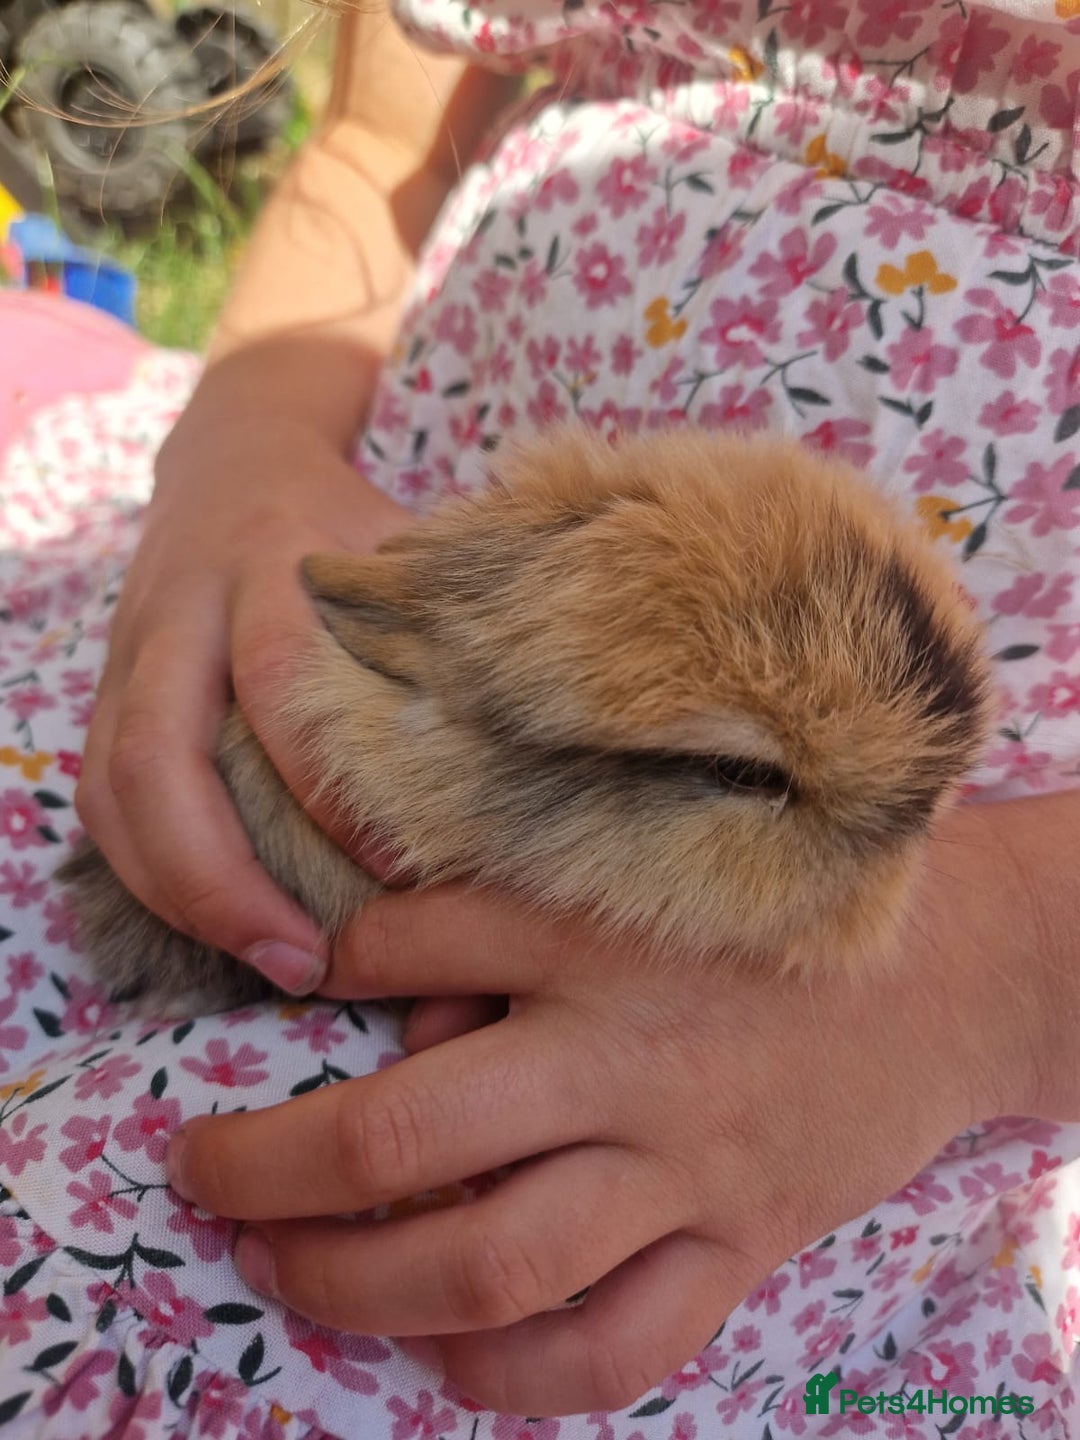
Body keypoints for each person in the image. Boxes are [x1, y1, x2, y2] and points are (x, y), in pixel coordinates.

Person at [1, 0, 1079, 1433]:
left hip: (844, 1079)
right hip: (360, 597)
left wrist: (997, 963)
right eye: (751, 778)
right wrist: (248, 436)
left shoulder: (868, 840)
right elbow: (371, 147)